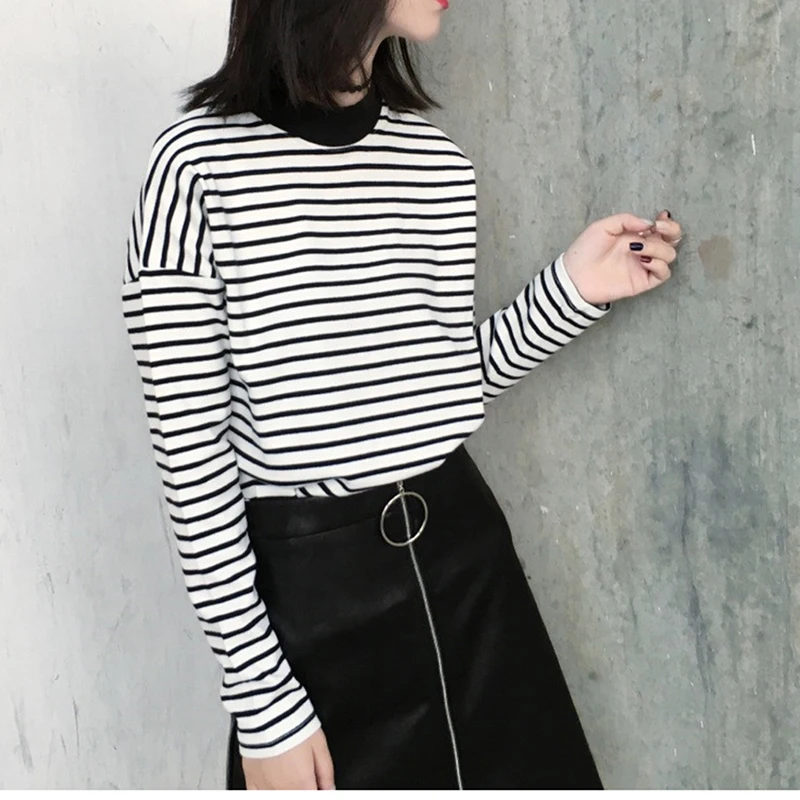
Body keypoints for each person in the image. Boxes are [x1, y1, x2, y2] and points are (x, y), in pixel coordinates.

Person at [121, 0, 682, 790]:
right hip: (320, 607)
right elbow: (192, 462)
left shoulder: (434, 164)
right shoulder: (195, 169)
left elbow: (439, 388)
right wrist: (261, 700)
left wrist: (573, 288)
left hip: (470, 566)